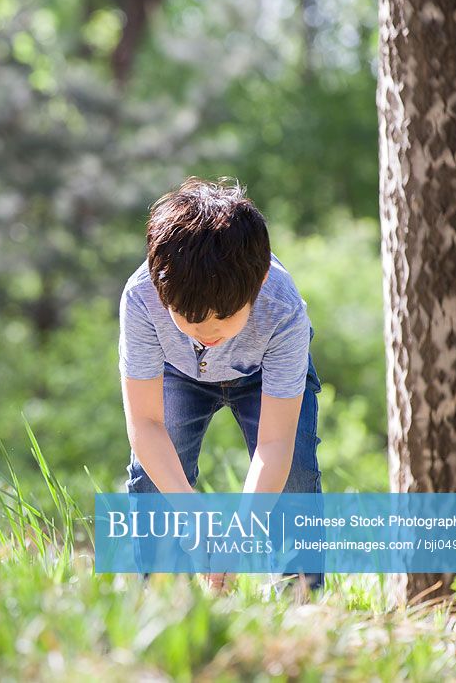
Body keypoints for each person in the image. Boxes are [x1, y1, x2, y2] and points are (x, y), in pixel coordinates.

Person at [118, 178, 322, 591]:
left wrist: (238, 535)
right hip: (177, 374)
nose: (207, 333)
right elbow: (145, 424)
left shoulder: (283, 310)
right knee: (154, 479)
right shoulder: (141, 298)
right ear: (161, 290)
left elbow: (274, 445)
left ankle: (299, 599)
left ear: (260, 282)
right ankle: (158, 596)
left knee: (296, 476)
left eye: (224, 318)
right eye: (190, 319)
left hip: (262, 373)